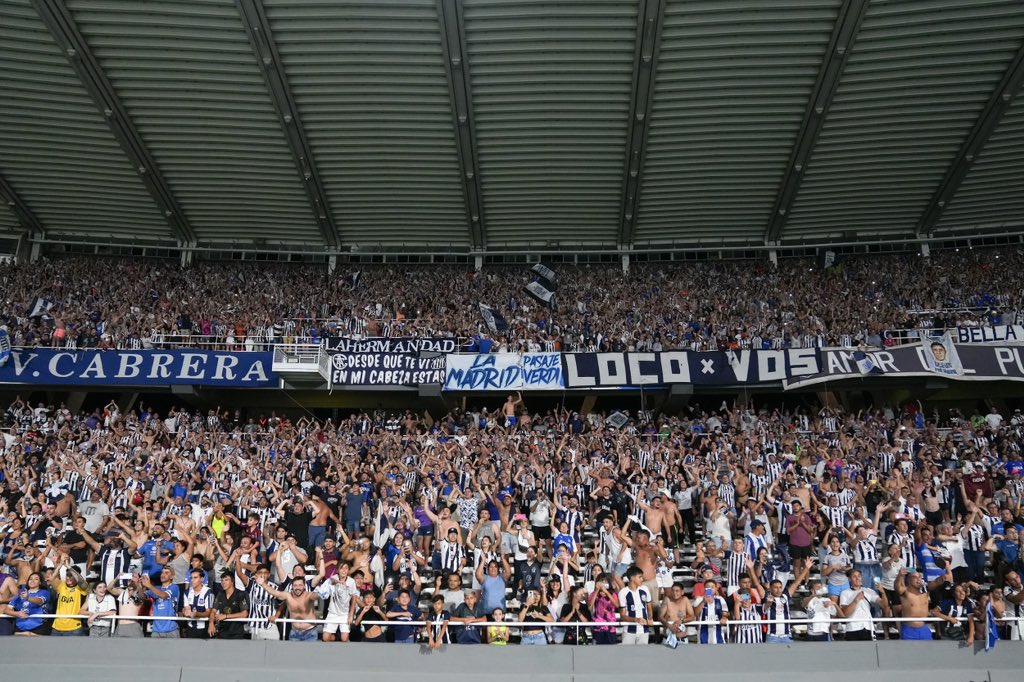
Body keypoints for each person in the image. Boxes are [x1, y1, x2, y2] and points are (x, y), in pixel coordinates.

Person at [255, 574, 321, 641]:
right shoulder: (288, 596)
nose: (297, 588)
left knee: (310, 652)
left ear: (304, 586)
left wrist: (322, 592)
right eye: (295, 585)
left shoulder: (308, 595)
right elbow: (275, 593)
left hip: (310, 633)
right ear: (292, 586)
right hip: (294, 633)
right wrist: (263, 584)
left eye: (300, 585)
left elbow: (316, 595)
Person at [839, 568, 888, 641]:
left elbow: (884, 605)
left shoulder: (869, 591)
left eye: (859, 576)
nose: (857, 578)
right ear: (849, 579)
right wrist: (856, 600)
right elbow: (845, 613)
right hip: (853, 628)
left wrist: (882, 592)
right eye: (854, 576)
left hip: (868, 627)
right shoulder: (845, 593)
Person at [48, 555, 88, 637]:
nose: (68, 578)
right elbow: (51, 579)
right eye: (67, 575)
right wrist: (60, 564)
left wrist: (69, 567)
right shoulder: (61, 585)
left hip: (74, 628)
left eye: (71, 575)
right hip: (57, 627)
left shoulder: (81, 588)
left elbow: (82, 582)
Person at [618, 566, 654, 645]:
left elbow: (649, 607)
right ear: (632, 578)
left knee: (642, 655)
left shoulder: (645, 589)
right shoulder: (623, 593)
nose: (642, 579)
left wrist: (650, 618)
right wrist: (636, 619)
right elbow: (622, 616)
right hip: (629, 631)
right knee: (627, 656)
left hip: (644, 630)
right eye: (640, 577)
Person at [209, 570, 249, 639]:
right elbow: (213, 611)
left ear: (232, 582)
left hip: (236, 633)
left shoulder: (239, 594)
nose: (223, 583)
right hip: (222, 633)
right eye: (222, 580)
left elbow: (244, 614)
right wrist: (211, 623)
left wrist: (226, 616)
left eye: (226, 580)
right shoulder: (220, 594)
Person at [895, 568, 933, 641]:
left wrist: (943, 578)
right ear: (908, 580)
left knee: (928, 651)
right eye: (914, 577)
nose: (918, 579)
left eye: (919, 577)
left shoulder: (925, 591)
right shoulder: (905, 592)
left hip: (924, 629)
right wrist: (900, 576)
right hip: (909, 630)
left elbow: (936, 583)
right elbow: (898, 587)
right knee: (909, 652)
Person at [143, 566, 180, 638]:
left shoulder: (174, 587)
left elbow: (163, 595)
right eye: (162, 572)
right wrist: (139, 586)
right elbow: (142, 597)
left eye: (166, 573)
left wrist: (149, 585)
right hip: (156, 630)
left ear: (172, 576)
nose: (163, 574)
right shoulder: (156, 588)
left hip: (171, 630)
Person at [181, 567, 214, 639]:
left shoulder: (208, 592)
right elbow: (186, 609)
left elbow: (208, 612)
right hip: (190, 627)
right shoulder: (187, 592)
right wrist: (185, 612)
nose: (192, 580)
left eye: (195, 578)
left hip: (204, 628)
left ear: (202, 579)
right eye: (191, 578)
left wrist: (196, 614)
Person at [659, 581, 695, 647]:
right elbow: (660, 617)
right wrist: (669, 626)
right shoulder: (667, 600)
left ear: (682, 592)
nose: (674, 593)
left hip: (683, 640)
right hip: (668, 639)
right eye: (673, 591)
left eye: (677, 591)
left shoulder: (685, 600)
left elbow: (693, 617)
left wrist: (682, 620)